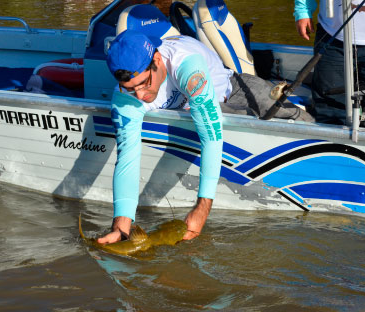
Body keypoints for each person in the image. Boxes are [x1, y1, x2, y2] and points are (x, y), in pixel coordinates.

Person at [98, 30, 312, 244]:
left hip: (235, 88)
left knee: (304, 122)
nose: (140, 96)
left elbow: (211, 136)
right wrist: (121, 226)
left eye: (144, 84)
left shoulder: (187, 68)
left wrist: (202, 208)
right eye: (130, 89)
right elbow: (127, 156)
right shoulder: (125, 97)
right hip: (197, 109)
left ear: (157, 60)